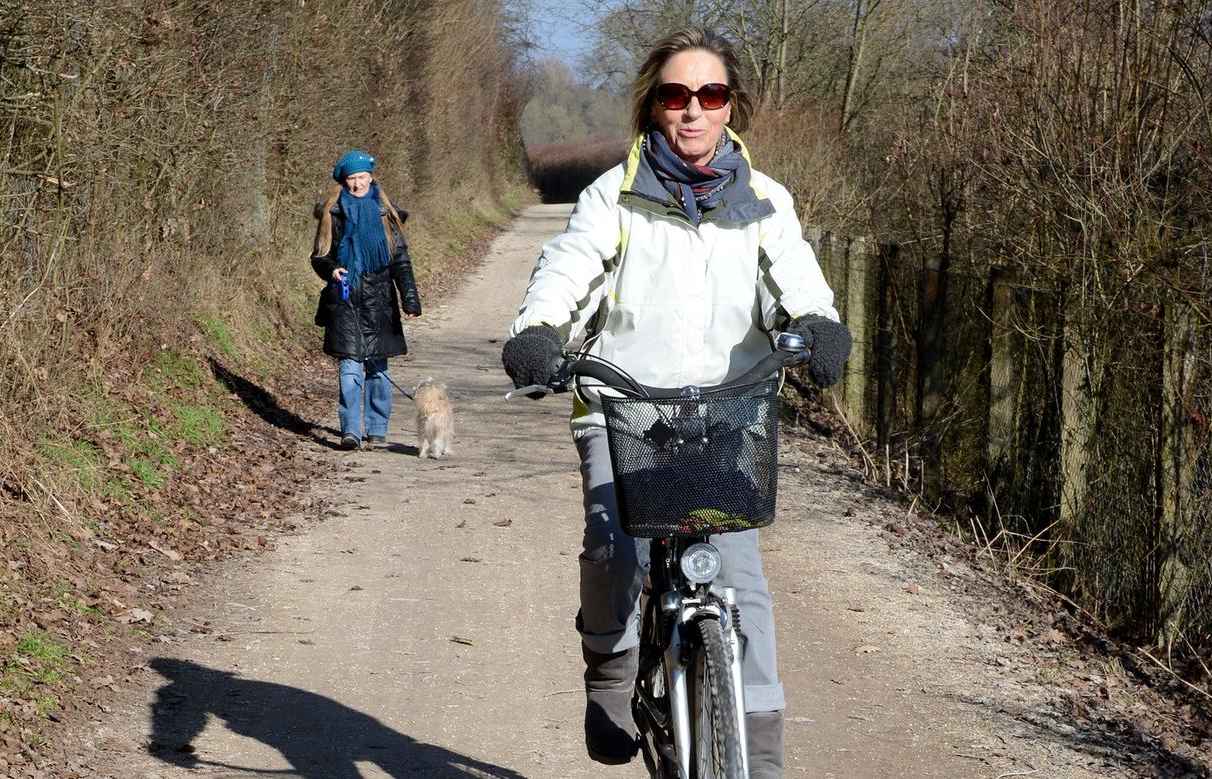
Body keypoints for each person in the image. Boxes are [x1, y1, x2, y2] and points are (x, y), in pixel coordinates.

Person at [501, 27, 851, 778]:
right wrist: (537, 330)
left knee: (743, 586)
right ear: (653, 107)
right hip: (624, 406)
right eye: (675, 95)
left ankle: (755, 754)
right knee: (614, 546)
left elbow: (796, 277)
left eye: (710, 94)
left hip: (727, 415)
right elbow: (566, 267)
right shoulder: (613, 195)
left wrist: (817, 325)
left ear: (731, 108)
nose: (692, 110)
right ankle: (609, 671)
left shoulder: (765, 202)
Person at [312, 150, 422, 451]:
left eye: (362, 177)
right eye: (351, 178)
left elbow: (401, 261)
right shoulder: (332, 214)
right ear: (343, 181)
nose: (357, 184)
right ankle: (350, 430)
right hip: (344, 301)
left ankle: (376, 429)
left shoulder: (387, 214)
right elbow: (319, 256)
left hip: (379, 301)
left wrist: (409, 299)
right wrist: (332, 269)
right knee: (349, 367)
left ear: (371, 177)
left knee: (378, 367)